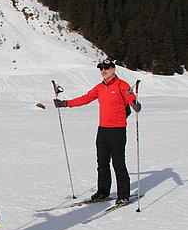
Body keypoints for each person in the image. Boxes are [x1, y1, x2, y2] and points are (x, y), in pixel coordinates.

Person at [53, 58, 141, 205]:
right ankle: (102, 192)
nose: (103, 71)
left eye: (106, 68)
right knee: (102, 163)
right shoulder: (100, 87)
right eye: (101, 69)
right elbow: (86, 98)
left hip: (118, 130)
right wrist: (65, 103)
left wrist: (135, 105)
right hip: (103, 130)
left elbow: (131, 97)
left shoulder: (122, 85)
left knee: (118, 163)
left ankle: (123, 195)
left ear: (113, 69)